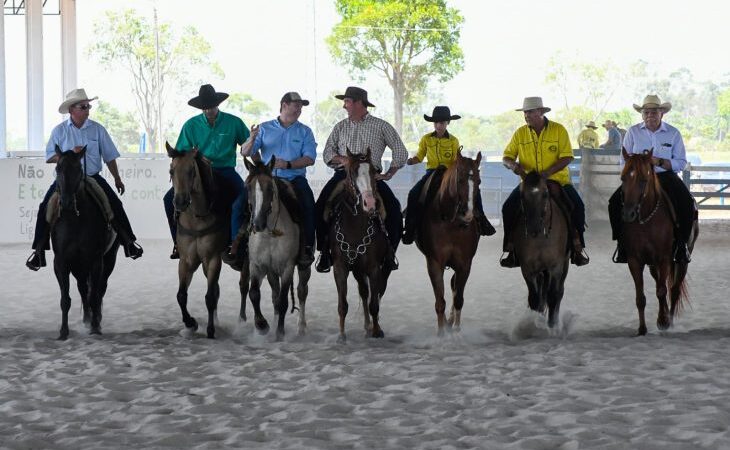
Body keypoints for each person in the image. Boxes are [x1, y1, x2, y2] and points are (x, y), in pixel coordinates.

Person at [25, 88, 144, 271]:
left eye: (88, 106)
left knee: (114, 204)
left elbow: (109, 156)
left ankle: (129, 242)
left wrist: (117, 178)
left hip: (92, 177)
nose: (88, 109)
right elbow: (49, 156)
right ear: (72, 109)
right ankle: (39, 251)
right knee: (45, 207)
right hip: (66, 180)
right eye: (84, 106)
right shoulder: (60, 131)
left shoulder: (98, 129)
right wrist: (69, 155)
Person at [314, 86, 407, 273]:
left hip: (371, 176)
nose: (344, 106)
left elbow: (400, 151)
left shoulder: (381, 126)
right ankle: (325, 252)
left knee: (394, 211)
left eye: (347, 102)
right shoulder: (340, 126)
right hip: (344, 176)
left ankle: (389, 253)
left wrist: (389, 173)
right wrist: (344, 160)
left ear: (358, 103)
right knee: (320, 208)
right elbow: (327, 153)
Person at [163, 84, 250, 267]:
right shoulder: (191, 125)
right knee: (168, 199)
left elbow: (247, 146)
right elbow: (180, 153)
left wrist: (254, 142)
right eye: (205, 107)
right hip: (198, 172)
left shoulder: (234, 122)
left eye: (211, 106)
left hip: (225, 170)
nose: (209, 110)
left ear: (218, 104)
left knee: (244, 196)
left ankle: (236, 242)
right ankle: (178, 244)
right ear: (201, 107)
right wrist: (188, 156)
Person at [500, 96, 589, 268]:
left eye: (531, 112)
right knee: (508, 207)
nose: (527, 115)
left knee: (578, 206)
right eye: (525, 112)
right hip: (528, 183)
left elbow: (567, 156)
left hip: (557, 181)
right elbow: (506, 157)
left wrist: (546, 173)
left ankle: (578, 246)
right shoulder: (520, 133)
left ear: (541, 112)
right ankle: (510, 247)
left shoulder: (558, 130)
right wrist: (512, 165)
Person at [608, 94, 695, 263]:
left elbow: (681, 162)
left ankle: (682, 245)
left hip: (665, 176)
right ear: (642, 114)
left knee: (686, 202)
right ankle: (622, 244)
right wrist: (630, 174)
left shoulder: (673, 133)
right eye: (646, 112)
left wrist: (660, 161)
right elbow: (622, 160)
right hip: (638, 178)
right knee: (614, 203)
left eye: (654, 112)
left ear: (662, 113)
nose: (650, 115)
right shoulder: (633, 132)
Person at [239, 91, 317, 266]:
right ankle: (237, 245)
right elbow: (245, 152)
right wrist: (252, 139)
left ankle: (307, 247)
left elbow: (310, 158)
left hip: (295, 179)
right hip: (267, 179)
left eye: (301, 107)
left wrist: (288, 164)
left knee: (308, 205)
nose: (299, 109)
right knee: (240, 203)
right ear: (284, 105)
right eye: (297, 105)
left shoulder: (305, 131)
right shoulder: (264, 128)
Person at [402, 106, 495, 244]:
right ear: (434, 124)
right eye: (437, 122)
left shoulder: (453, 140)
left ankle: (481, 219)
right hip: (432, 172)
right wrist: (412, 160)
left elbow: (455, 160)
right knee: (413, 193)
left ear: (447, 123)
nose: (440, 125)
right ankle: (410, 228)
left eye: (443, 122)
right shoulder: (426, 139)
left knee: (474, 189)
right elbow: (420, 156)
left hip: (449, 172)